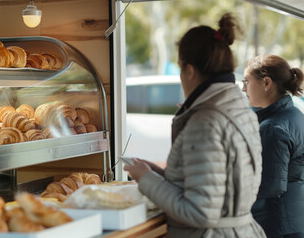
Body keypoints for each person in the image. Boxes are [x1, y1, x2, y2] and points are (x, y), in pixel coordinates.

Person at [124, 13, 266, 238]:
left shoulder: (205, 121)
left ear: (189, 70)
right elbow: (218, 185)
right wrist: (160, 174)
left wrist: (146, 179)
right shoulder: (238, 108)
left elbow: (200, 212)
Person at [243, 55, 304, 238]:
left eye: (247, 81)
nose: (244, 88)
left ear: (266, 83)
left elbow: (271, 186)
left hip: (277, 226)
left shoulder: (272, 127)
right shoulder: (295, 114)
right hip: (294, 221)